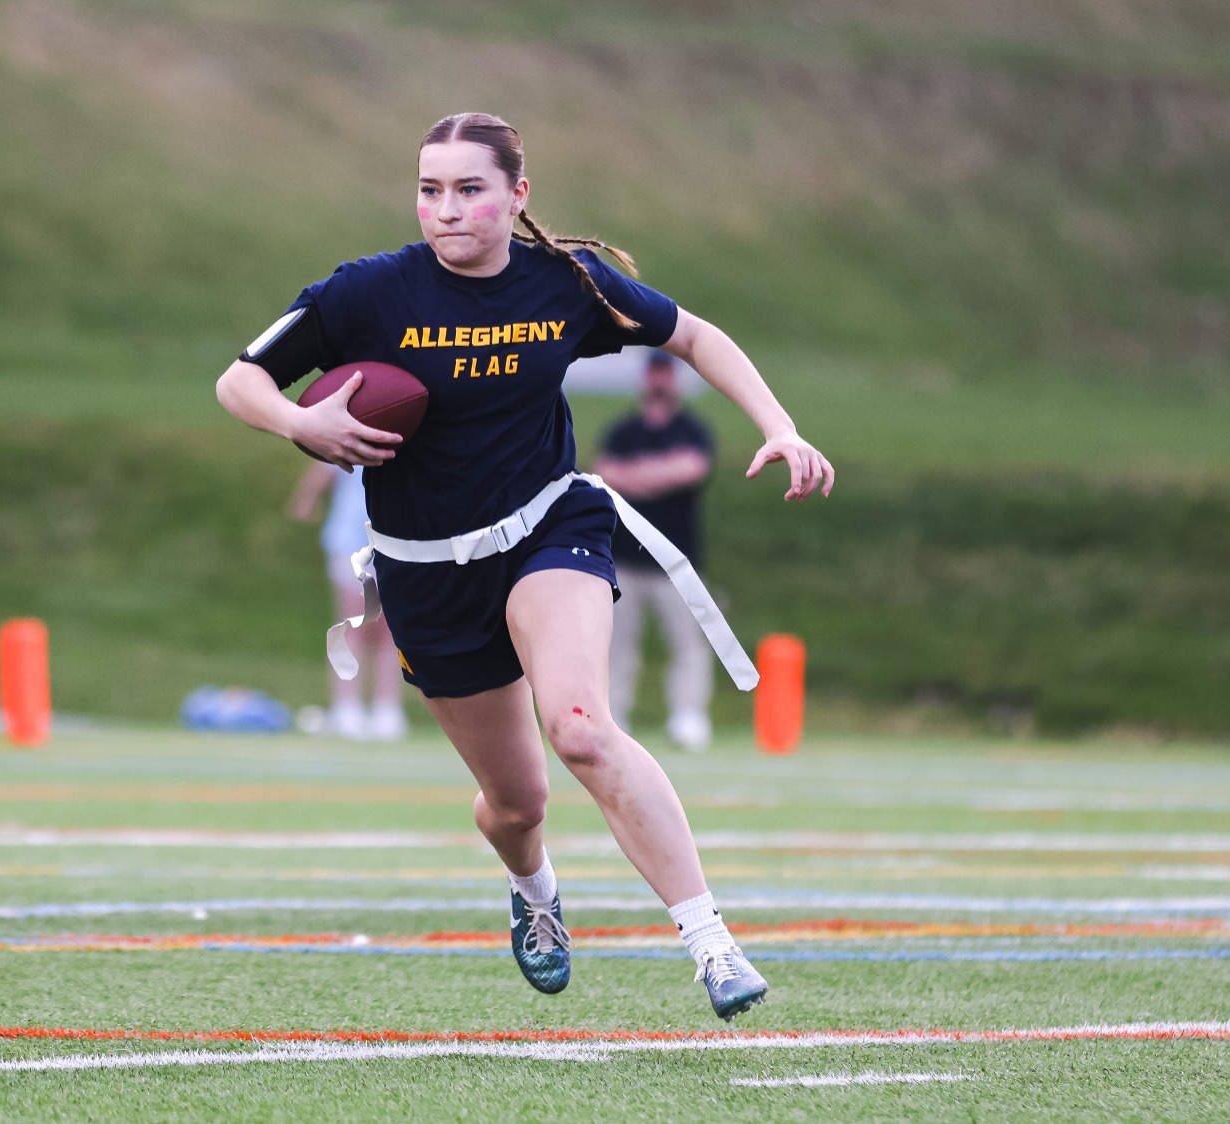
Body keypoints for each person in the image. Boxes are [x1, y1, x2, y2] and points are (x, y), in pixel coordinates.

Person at [214, 113, 832, 1021]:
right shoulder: (367, 294)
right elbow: (240, 381)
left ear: (516, 196)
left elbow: (695, 336)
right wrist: (302, 424)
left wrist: (779, 426)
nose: (447, 209)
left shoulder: (568, 283)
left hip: (550, 528)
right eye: (430, 189)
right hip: (428, 569)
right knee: (516, 802)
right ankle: (536, 892)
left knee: (581, 729)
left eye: (469, 189)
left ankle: (711, 942)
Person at [594, 351, 717, 751]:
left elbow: (692, 468)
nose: (660, 382)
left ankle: (688, 714)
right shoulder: (624, 431)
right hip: (624, 558)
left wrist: (638, 475)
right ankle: (614, 715)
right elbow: (605, 475)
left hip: (677, 561)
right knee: (616, 643)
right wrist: (661, 472)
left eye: (666, 374)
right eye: (655, 374)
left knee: (687, 642)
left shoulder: (692, 428)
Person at [288, 462, 409, 740]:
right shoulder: (355, 427)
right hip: (351, 542)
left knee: (390, 632)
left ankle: (386, 709)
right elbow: (326, 465)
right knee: (353, 624)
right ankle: (347, 708)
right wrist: (307, 497)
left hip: (394, 541)